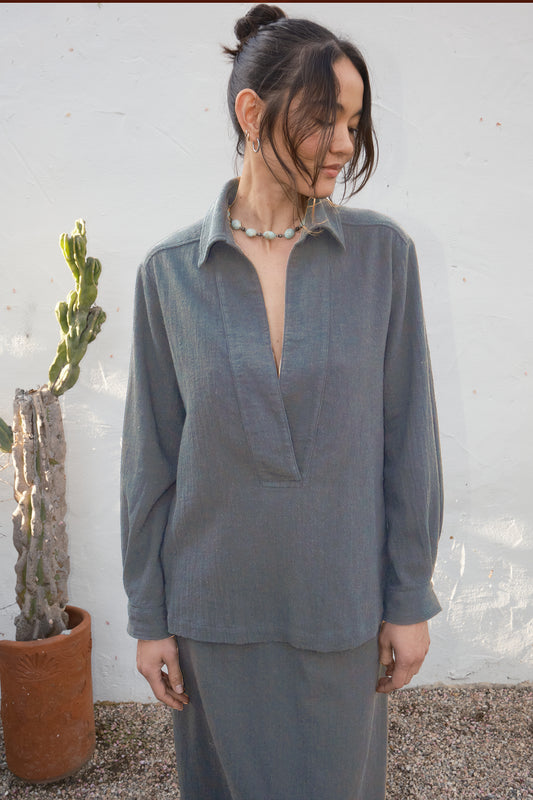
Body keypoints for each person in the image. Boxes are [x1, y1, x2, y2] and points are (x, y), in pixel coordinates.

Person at [121, 4, 443, 799]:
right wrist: (148, 616)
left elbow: (410, 442)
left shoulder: (381, 258)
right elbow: (150, 459)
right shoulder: (168, 274)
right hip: (211, 615)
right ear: (251, 111)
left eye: (354, 121)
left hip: (340, 605)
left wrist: (406, 597)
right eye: (323, 119)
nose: (343, 143)